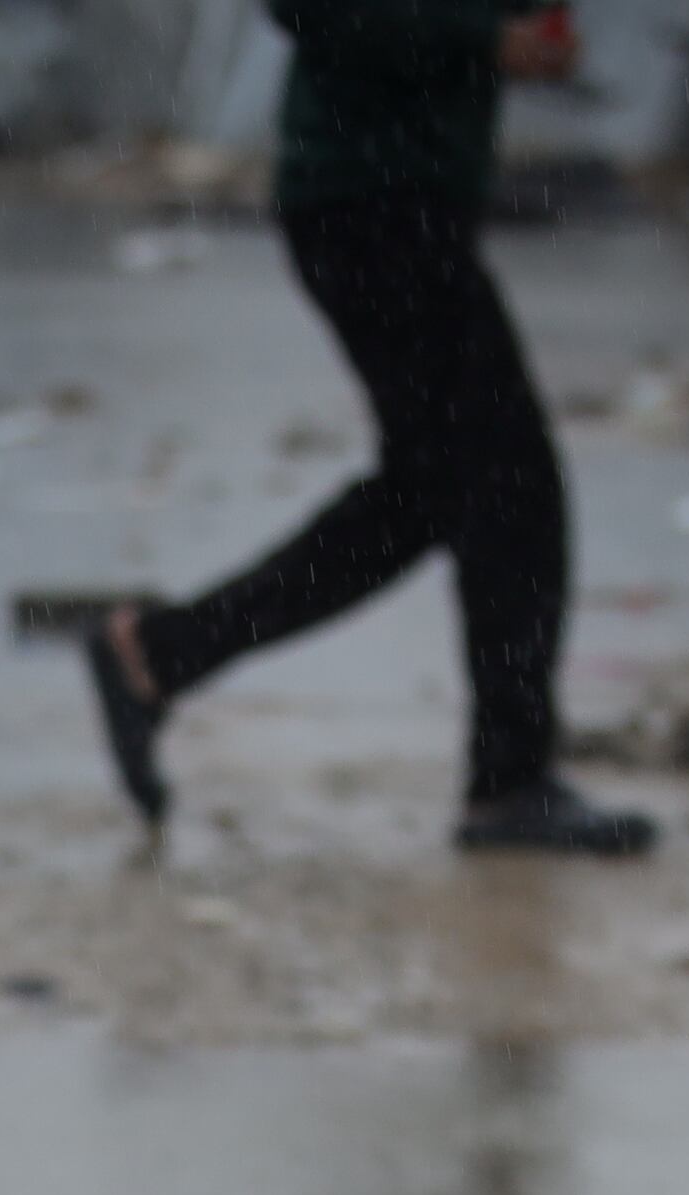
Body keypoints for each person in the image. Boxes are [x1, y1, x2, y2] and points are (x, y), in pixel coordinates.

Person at [75, 0, 652, 856]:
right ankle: (508, 782)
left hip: (398, 194)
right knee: (509, 486)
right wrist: (480, 39)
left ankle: (158, 656)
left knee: (429, 492)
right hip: (371, 198)